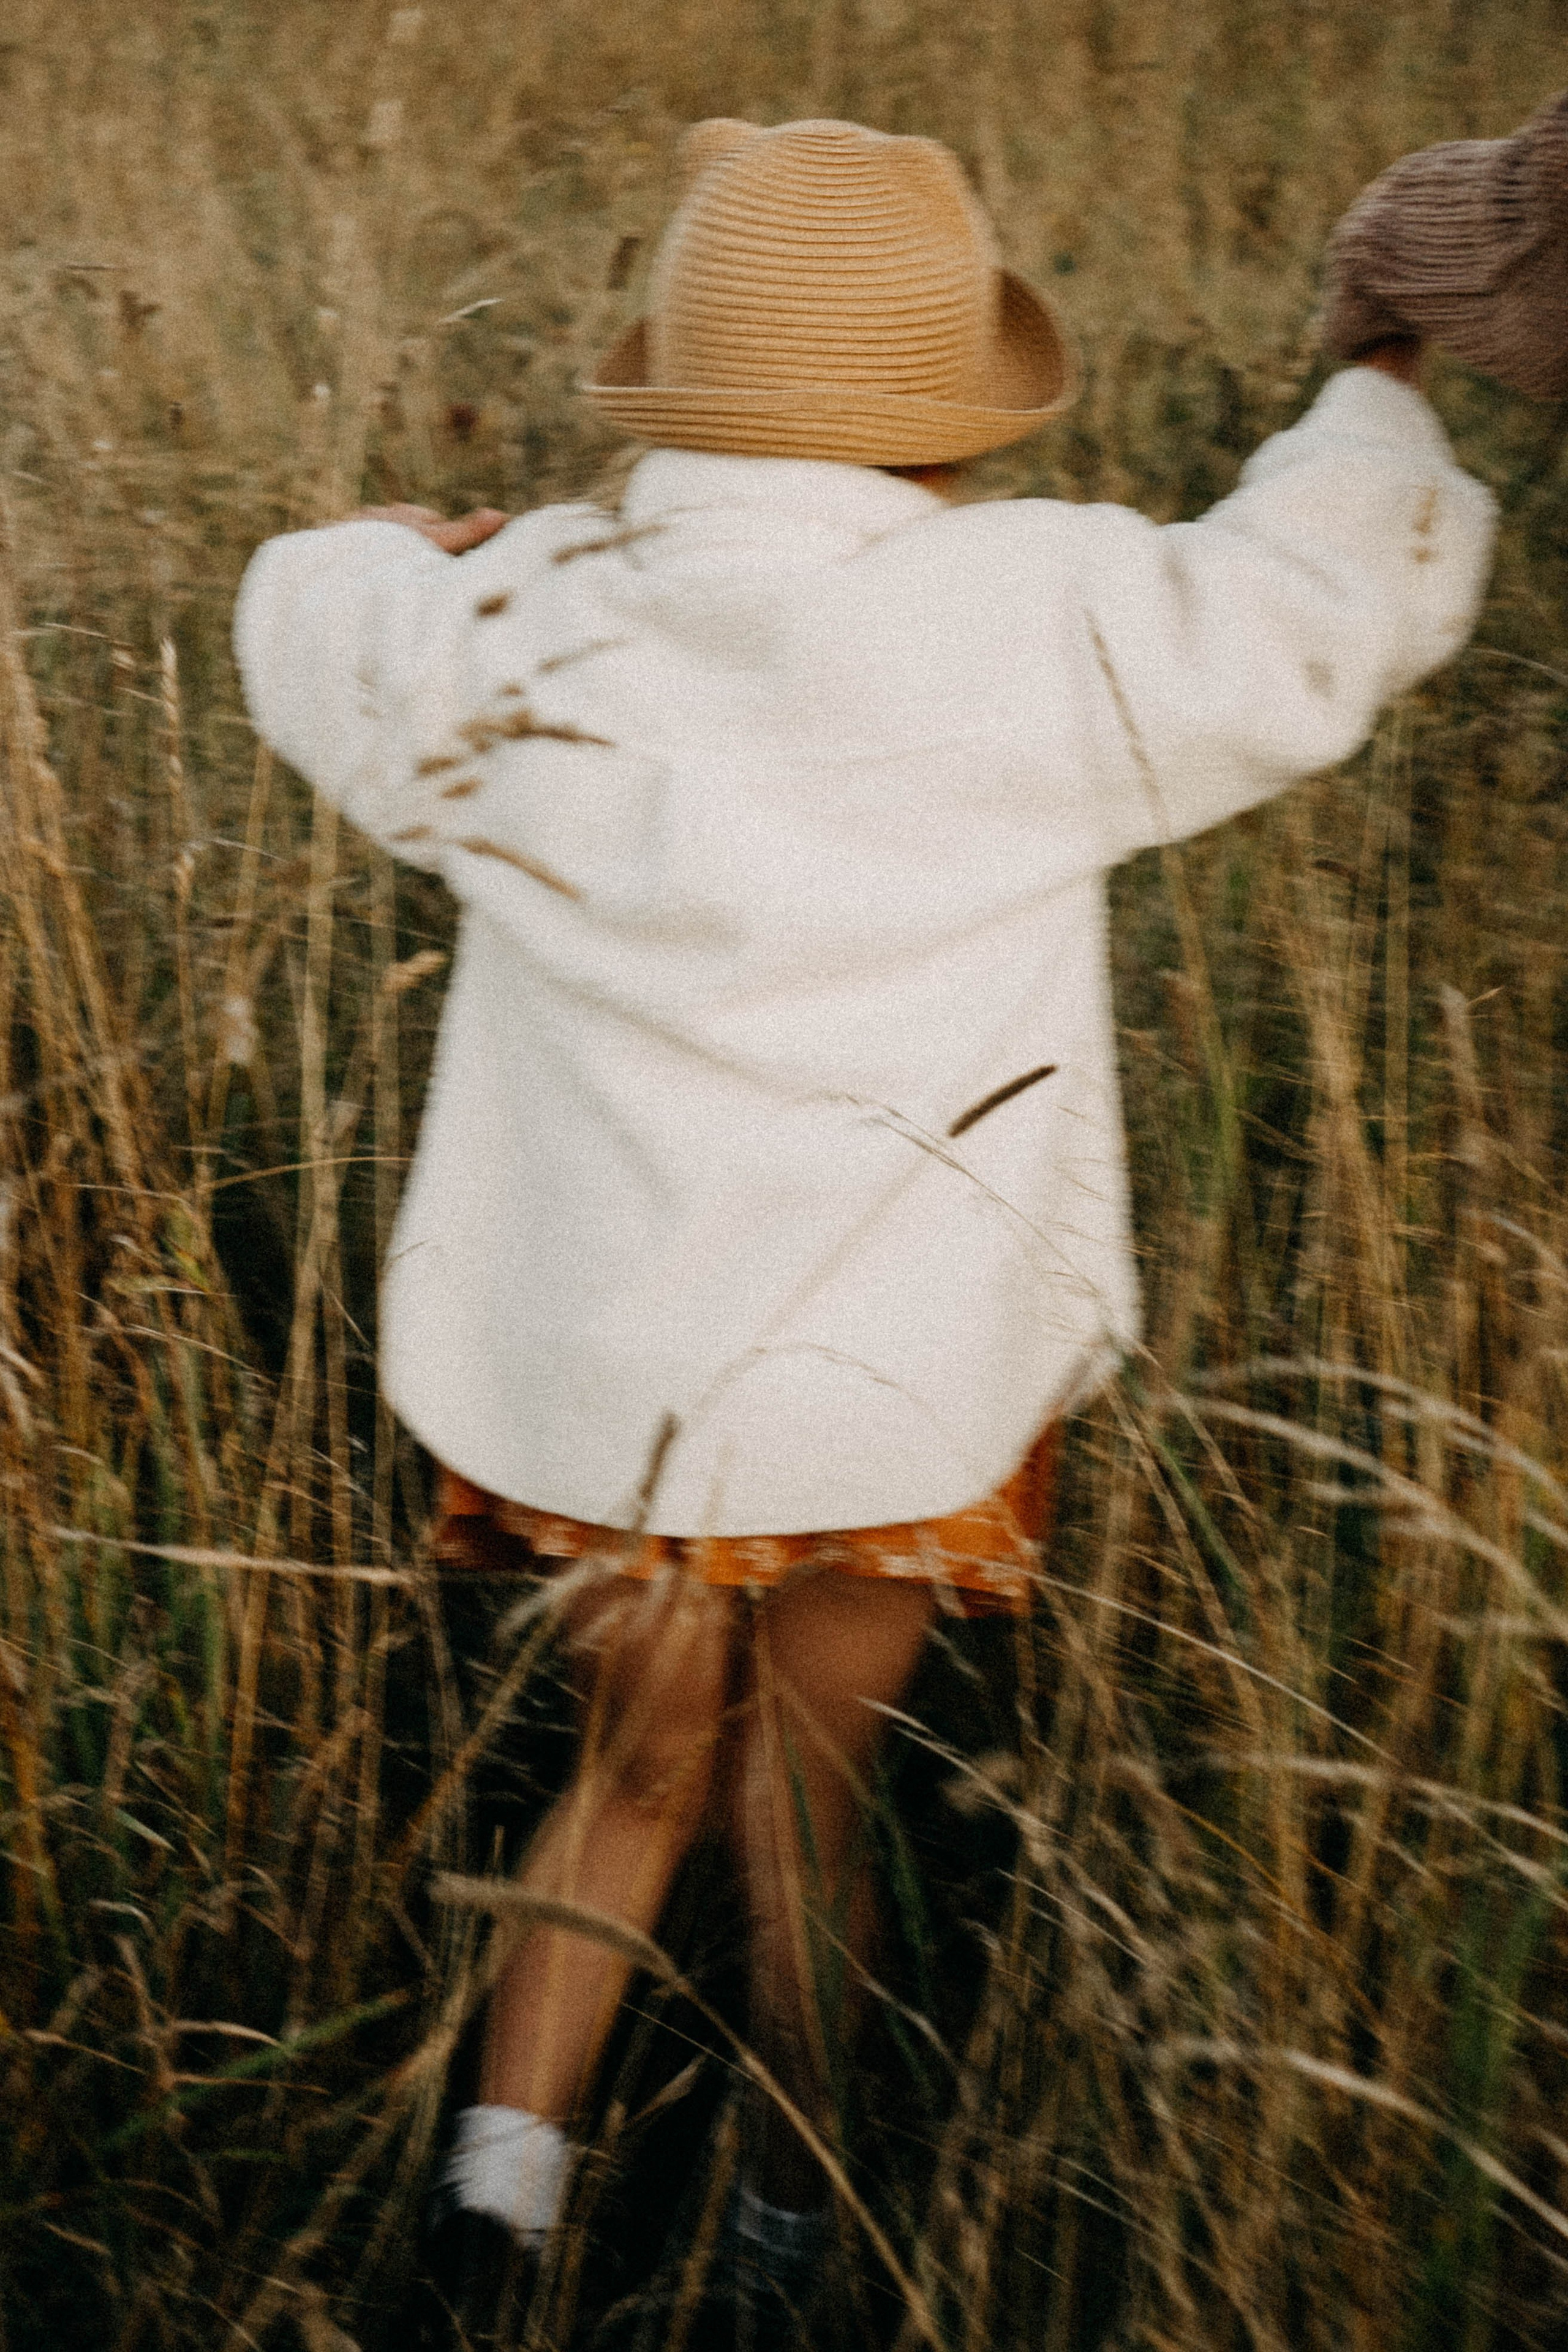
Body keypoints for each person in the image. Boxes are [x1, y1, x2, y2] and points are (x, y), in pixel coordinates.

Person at [234, 115, 1494, 2345]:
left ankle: (494, 2203)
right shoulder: (1055, 621)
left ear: (680, 388)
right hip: (896, 1369)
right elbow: (1321, 600)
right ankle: (792, 2237)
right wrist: (1376, 364)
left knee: (625, 1774)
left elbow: (313, 611)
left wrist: (396, 543)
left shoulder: (519, 625)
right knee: (818, 1806)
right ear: (950, 412)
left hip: (608, 1380)